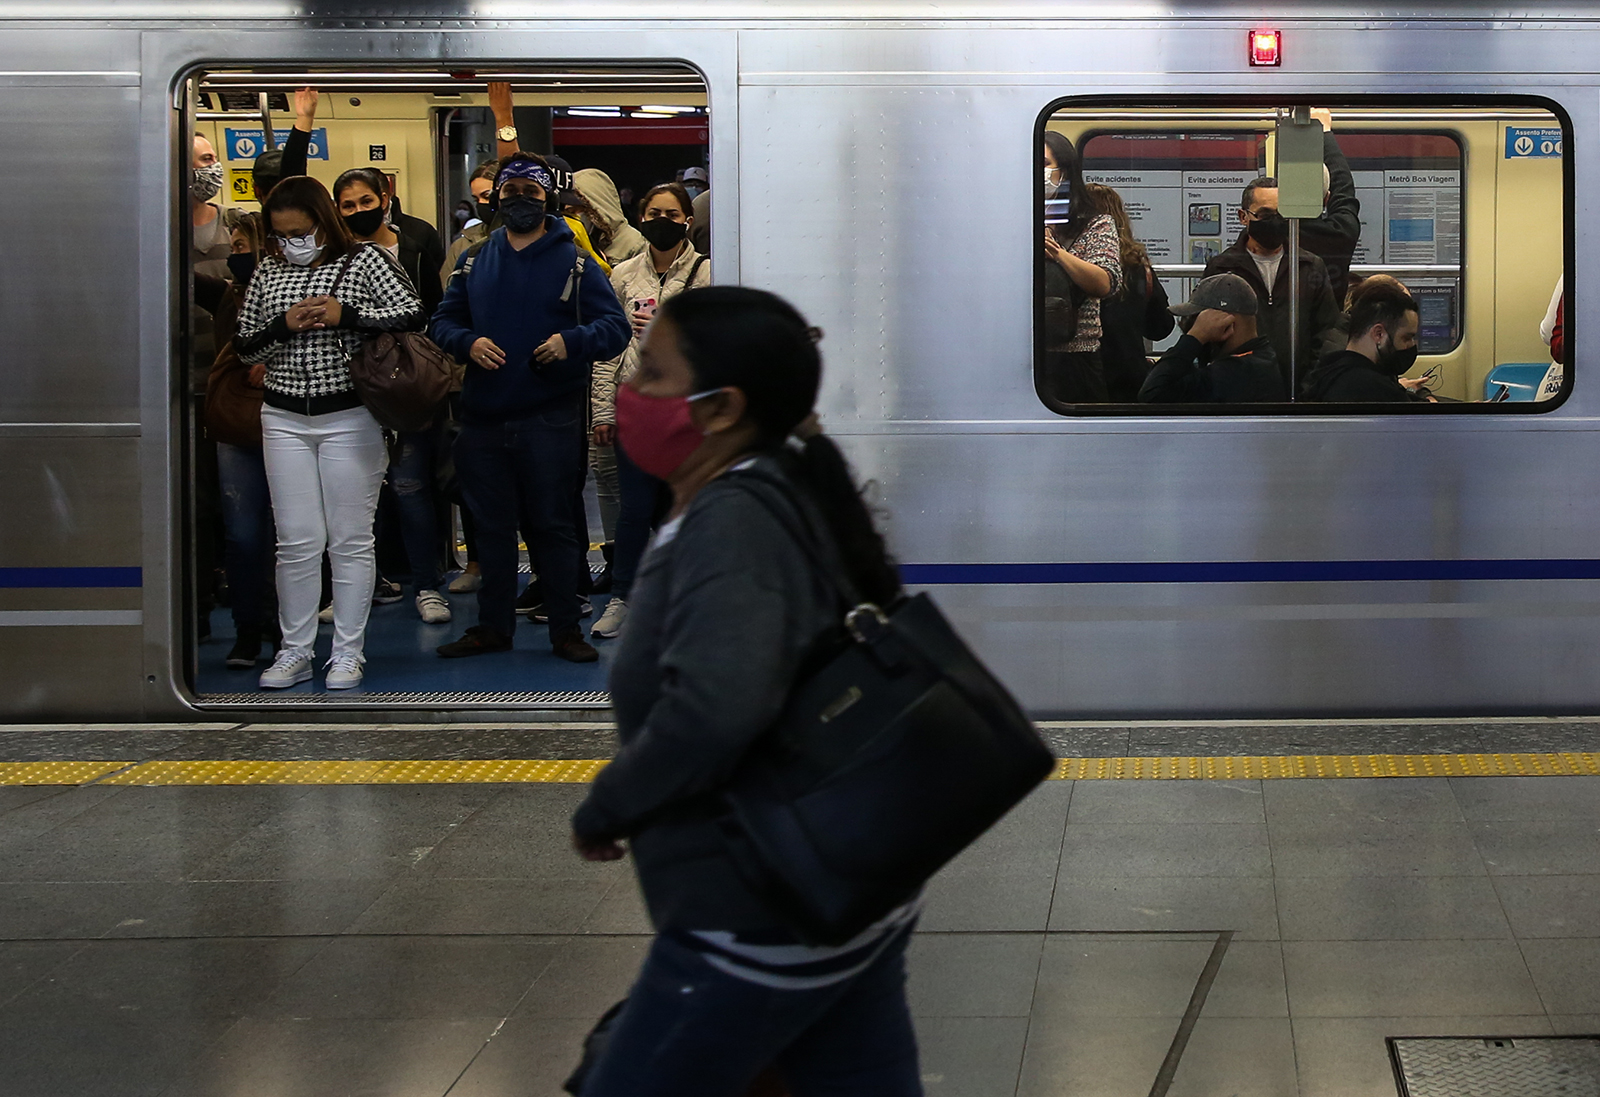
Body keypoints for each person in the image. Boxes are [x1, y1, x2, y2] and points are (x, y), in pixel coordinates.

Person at [570, 286, 920, 1095]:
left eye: (652, 374)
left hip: (759, 907)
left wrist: (611, 801)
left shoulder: (735, 518)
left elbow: (717, 704)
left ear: (722, 407)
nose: (630, 393)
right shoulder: (779, 484)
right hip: (846, 890)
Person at [429, 154, 630, 662]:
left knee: (553, 526)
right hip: (484, 416)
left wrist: (572, 341)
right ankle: (492, 627)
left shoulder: (578, 262)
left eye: (531, 192)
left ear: (549, 199)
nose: (520, 200)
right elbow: (442, 322)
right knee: (491, 527)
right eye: (510, 190)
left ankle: (566, 630)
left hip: (550, 417)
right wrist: (467, 343)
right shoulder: (474, 260)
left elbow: (615, 329)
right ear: (497, 197)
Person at [236, 176, 426, 690]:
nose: (293, 242)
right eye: (282, 235)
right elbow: (246, 348)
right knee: (296, 540)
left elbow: (414, 316)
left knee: (349, 540)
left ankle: (347, 651)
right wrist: (283, 327)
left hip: (351, 416)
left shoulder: (365, 261)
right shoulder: (267, 273)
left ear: (325, 222)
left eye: (302, 231)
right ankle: (294, 649)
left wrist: (350, 316)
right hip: (283, 417)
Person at [589, 182, 711, 641]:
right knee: (635, 509)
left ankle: (687, 594)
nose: (663, 221)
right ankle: (623, 595)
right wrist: (603, 412)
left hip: (686, 410)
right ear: (641, 217)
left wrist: (667, 325)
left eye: (672, 214)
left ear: (686, 220)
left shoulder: (706, 272)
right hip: (636, 408)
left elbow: (710, 342)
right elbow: (607, 348)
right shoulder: (622, 274)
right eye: (654, 212)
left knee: (685, 506)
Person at [332, 166, 453, 625]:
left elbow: (428, 308)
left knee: (409, 486)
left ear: (384, 199)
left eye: (366, 201)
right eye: (348, 205)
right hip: (348, 385)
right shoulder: (333, 254)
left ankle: (426, 583)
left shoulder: (417, 242)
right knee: (354, 493)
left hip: (404, 382)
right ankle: (365, 583)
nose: (359, 211)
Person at [207, 212, 281, 668]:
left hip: (286, 417)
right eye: (233, 248)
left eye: (242, 248)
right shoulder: (226, 297)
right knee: (243, 534)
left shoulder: (289, 287)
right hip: (237, 423)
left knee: (289, 535)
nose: (237, 257)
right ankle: (247, 629)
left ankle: (283, 629)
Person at [1201, 176, 1343, 393]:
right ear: (1243, 217)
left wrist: (1310, 389)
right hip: (1239, 395)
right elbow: (1204, 335)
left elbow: (1327, 335)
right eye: (1266, 214)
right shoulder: (1222, 269)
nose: (1275, 221)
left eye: (1282, 214)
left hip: (1299, 393)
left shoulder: (1308, 266)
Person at [1040, 131, 1122, 404]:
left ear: (1065, 170)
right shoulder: (1011, 221)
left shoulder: (1095, 223)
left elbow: (1104, 282)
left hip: (1076, 359)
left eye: (1044, 164)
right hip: (1023, 353)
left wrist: (1058, 254)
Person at [1087, 182, 1174, 401]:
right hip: (1129, 376)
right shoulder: (1138, 266)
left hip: (1087, 373)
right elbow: (1161, 327)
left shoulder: (1075, 266)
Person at [1138, 274, 1284, 403]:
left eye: (1198, 321)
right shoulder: (1258, 358)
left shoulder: (1237, 373)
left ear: (1226, 322)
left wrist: (1195, 337)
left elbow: (1152, 394)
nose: (1191, 327)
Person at [1300, 277, 1432, 402]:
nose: (1410, 345)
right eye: (1406, 338)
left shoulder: (1328, 369)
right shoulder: (1375, 390)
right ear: (1379, 334)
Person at [1296, 108, 1364, 307]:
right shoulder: (1340, 234)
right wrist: (1324, 132)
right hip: (1327, 332)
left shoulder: (1271, 234)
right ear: (1327, 199)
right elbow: (1344, 190)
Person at [250, 87, 318, 204]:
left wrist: (305, 118)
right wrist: (305, 118)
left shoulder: (245, 221)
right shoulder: (317, 218)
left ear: (256, 190)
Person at [573, 167, 648, 267]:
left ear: (595, 206)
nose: (575, 214)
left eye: (579, 207)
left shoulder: (635, 244)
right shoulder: (580, 240)